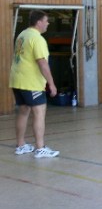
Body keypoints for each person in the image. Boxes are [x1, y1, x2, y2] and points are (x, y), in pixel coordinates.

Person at [10, 9, 59, 158]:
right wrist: (51, 84)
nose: (48, 23)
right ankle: (40, 148)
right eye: (46, 21)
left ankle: (21, 145)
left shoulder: (22, 35)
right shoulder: (37, 39)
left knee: (23, 111)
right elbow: (42, 63)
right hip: (31, 83)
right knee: (39, 113)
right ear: (39, 22)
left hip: (17, 80)